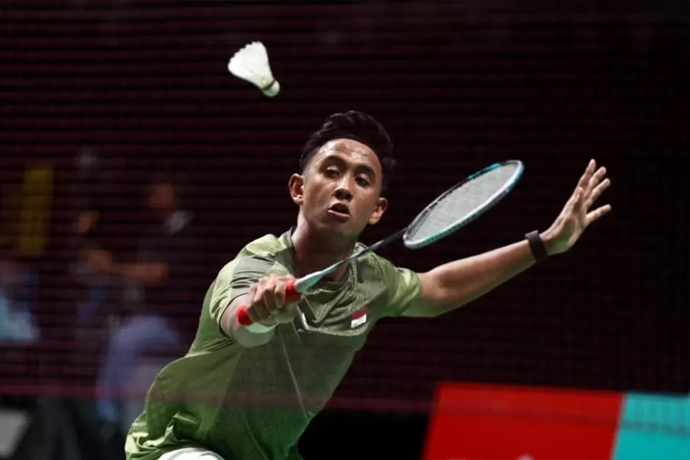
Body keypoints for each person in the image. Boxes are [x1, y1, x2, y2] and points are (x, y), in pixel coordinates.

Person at [125, 111, 611, 460]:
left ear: (377, 210)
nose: (344, 186)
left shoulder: (373, 279)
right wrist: (262, 313)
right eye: (331, 171)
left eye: (362, 180)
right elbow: (240, 322)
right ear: (298, 188)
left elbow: (438, 288)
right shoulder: (255, 264)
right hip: (184, 446)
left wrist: (544, 245)